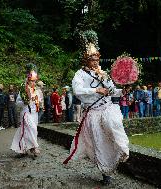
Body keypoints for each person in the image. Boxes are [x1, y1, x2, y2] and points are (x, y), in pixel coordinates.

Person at [63, 34, 129, 185]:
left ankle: (122, 150)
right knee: (100, 143)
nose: (96, 62)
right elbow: (77, 90)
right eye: (93, 59)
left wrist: (122, 92)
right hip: (93, 112)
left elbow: (111, 91)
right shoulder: (79, 75)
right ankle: (105, 173)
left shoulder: (103, 73)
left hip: (108, 108)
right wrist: (96, 90)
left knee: (115, 126)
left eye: (97, 59)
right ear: (86, 60)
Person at [11, 63, 40, 157]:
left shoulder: (36, 91)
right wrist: (25, 102)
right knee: (31, 128)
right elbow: (17, 103)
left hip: (34, 113)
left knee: (30, 130)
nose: (33, 83)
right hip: (26, 113)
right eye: (32, 81)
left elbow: (37, 101)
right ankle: (34, 147)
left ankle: (22, 148)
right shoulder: (23, 90)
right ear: (28, 81)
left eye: (34, 81)